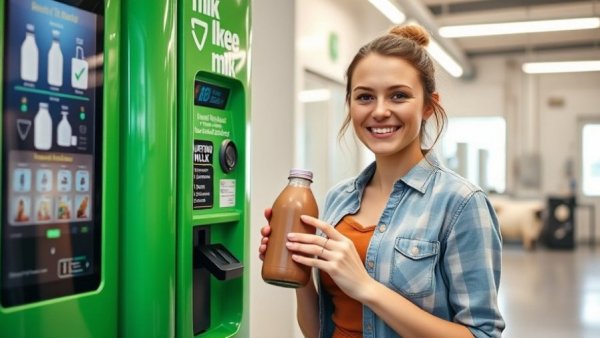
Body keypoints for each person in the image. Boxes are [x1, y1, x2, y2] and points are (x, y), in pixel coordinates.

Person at [259, 23, 505, 338]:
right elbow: (318, 331)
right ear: (349, 104)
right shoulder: (338, 199)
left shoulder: (461, 204)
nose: (379, 111)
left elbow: (482, 334)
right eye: (364, 97)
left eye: (399, 96)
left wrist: (365, 287)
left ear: (429, 106)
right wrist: (300, 271)